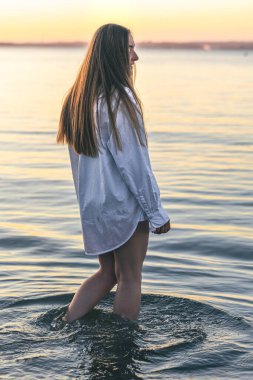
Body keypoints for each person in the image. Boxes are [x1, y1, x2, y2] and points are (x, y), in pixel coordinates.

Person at [56, 23, 171, 323]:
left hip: (94, 206)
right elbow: (134, 165)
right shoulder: (120, 99)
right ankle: (123, 349)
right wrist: (156, 211)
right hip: (123, 206)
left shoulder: (77, 101)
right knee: (131, 277)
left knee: (108, 273)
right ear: (114, 53)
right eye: (130, 48)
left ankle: (67, 324)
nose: (136, 57)